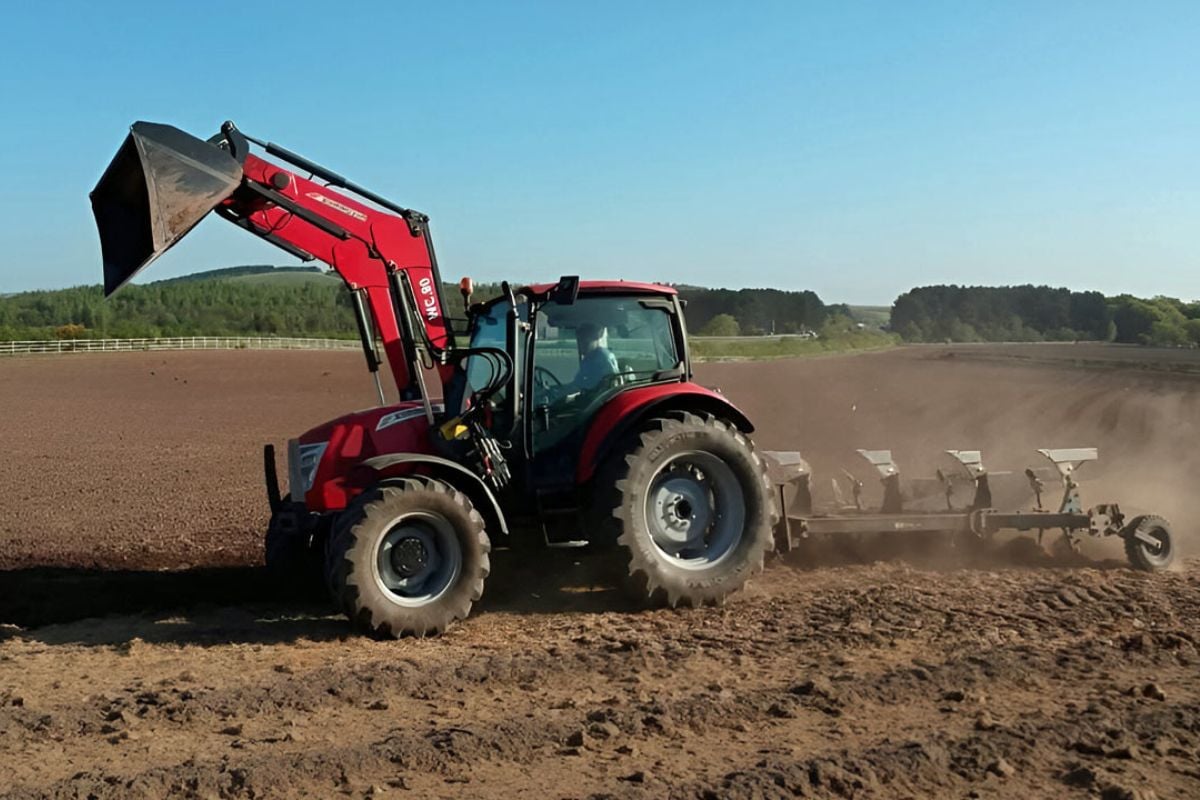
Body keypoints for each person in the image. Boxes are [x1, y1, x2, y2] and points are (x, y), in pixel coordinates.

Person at [563, 322, 619, 395]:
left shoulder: (601, 358)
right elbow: (577, 383)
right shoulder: (590, 358)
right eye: (580, 342)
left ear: (595, 339)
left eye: (586, 342)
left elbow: (611, 384)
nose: (581, 346)